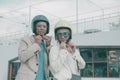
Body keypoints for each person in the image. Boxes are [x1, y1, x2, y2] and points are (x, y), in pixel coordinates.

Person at [15, 15, 51, 80]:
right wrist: (36, 44)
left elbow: (51, 63)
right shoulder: (25, 40)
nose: (42, 28)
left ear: (47, 29)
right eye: (39, 26)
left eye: (44, 26)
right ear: (34, 27)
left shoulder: (46, 43)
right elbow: (22, 57)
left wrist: (48, 46)